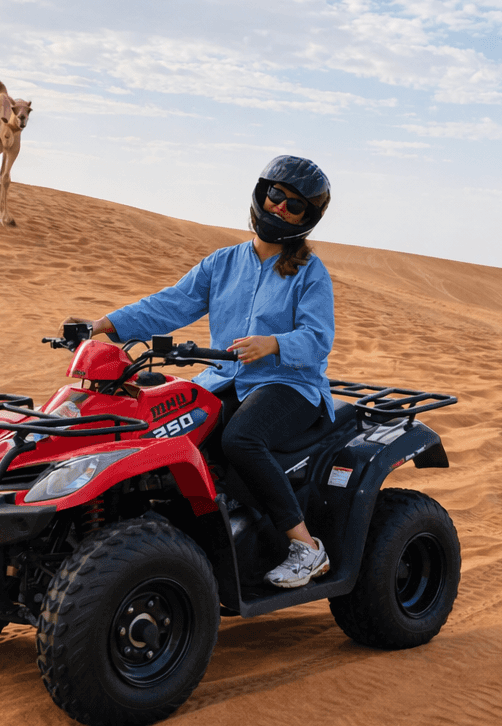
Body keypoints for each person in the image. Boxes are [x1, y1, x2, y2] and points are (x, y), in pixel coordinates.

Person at [70, 156, 336, 589]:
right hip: (223, 379)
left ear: (307, 218)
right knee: (164, 426)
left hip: (288, 384)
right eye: (277, 196)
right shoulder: (223, 263)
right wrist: (104, 325)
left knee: (241, 438)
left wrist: (275, 344)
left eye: (295, 206)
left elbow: (318, 338)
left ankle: (305, 546)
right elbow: (170, 304)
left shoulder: (309, 272)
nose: (280, 209)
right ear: (262, 192)